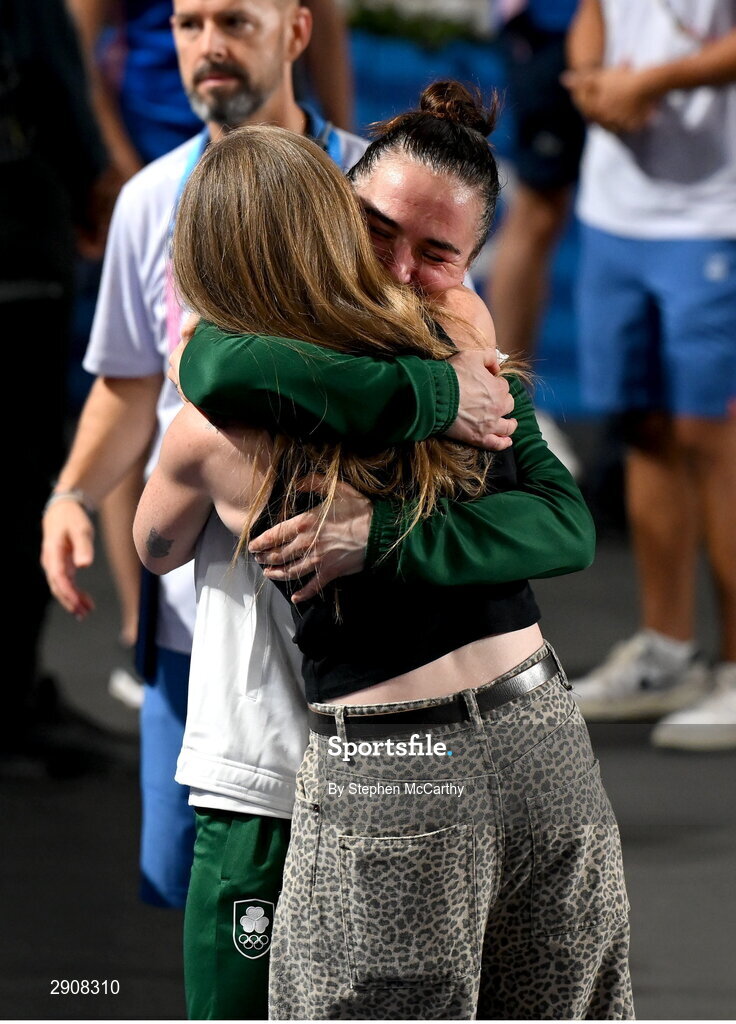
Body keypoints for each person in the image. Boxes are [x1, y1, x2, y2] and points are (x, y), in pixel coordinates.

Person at [136, 118, 630, 1019]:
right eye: (378, 232)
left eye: (436, 252)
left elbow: (157, 532)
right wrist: (437, 394)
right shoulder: (462, 339)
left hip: (398, 764)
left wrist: (381, 534)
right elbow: (220, 358)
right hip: (544, 738)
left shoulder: (217, 414)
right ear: (332, 212)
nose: (401, 271)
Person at [40, 0, 379, 910]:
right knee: (196, 897)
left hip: (362, 626)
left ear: (298, 31)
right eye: (189, 24)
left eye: (236, 20)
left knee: (349, 906)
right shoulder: (153, 197)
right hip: (193, 627)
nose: (209, 47)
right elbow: (127, 384)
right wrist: (71, 495)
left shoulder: (376, 191)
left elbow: (456, 356)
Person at [563, 0, 736, 749]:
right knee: (644, 427)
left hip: (714, 212)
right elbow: (593, 8)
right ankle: (667, 651)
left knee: (713, 439)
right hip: (614, 212)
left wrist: (656, 81)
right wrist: (594, 77)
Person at [1, 0, 107, 766]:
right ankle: (9, 704)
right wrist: (94, 183)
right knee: (17, 475)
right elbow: (54, 85)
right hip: (14, 242)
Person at [486, 0, 585, 477]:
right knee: (538, 210)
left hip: (625, 35)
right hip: (551, 25)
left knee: (547, 212)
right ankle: (508, 405)